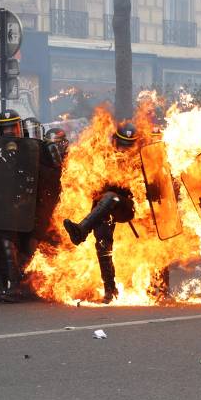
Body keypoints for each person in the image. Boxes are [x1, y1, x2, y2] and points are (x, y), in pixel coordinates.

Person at [63, 122, 137, 304]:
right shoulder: (102, 157)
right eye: (121, 145)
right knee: (103, 244)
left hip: (125, 206)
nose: (124, 149)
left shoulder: (139, 159)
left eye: (128, 146)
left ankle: (81, 230)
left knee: (112, 197)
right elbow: (89, 181)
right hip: (103, 208)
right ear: (114, 141)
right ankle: (110, 290)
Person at [0, 109, 30, 303]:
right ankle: (1, 288)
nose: (10, 131)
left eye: (13, 126)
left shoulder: (29, 144)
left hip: (17, 204)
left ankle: (14, 288)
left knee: (9, 246)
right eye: (6, 127)